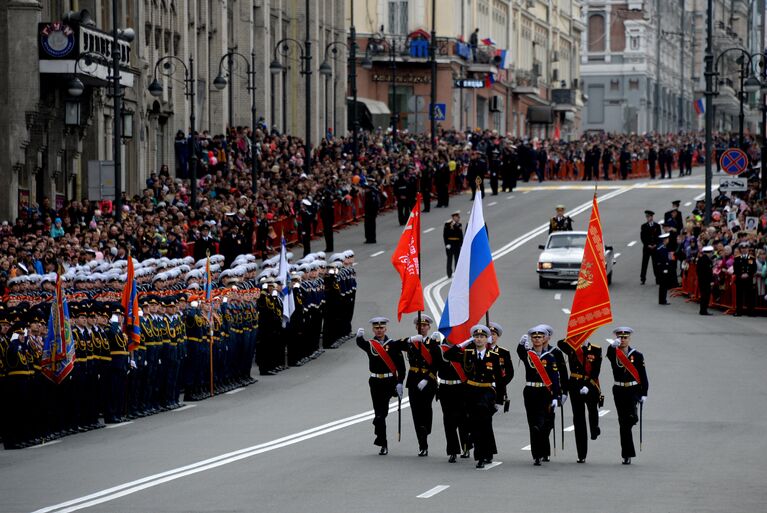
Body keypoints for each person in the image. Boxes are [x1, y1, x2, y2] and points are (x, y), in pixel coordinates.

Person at [445, 324, 506, 468]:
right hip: (470, 392)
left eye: (482, 337)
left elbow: (500, 380)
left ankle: (481, 456)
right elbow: (448, 355)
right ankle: (484, 452)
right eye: (476, 337)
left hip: (486, 393)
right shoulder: (468, 353)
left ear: (487, 339)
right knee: (473, 425)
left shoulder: (494, 357)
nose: (479, 339)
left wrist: (499, 400)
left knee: (483, 424)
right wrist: (463, 344)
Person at [356, 317, 406, 455]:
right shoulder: (371, 345)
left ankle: (380, 435)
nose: (379, 330)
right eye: (376, 328)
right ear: (373, 329)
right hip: (376, 382)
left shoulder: (393, 344)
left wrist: (400, 382)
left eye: (381, 328)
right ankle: (383, 443)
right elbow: (361, 344)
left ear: (385, 329)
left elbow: (401, 367)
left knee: (381, 412)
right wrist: (359, 337)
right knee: (380, 414)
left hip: (389, 382)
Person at [517, 326, 564, 466]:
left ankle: (544, 450)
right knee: (533, 423)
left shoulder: (550, 357)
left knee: (544, 423)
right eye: (534, 337)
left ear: (544, 339)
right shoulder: (528, 354)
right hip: (531, 391)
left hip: (545, 392)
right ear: (531, 339)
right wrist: (520, 344)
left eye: (540, 337)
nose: (537, 339)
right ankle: (536, 455)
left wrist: (556, 396)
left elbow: (555, 378)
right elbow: (520, 353)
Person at [606, 327, 648, 465]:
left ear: (629, 339)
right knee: (623, 423)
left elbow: (643, 375)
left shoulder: (638, 355)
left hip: (633, 389)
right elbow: (609, 354)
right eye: (620, 337)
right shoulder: (614, 353)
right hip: (619, 389)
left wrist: (644, 393)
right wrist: (612, 346)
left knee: (630, 418)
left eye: (625, 337)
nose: (622, 340)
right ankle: (626, 454)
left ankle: (633, 416)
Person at [557, 337, 602, 463]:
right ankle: (581, 453)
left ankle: (594, 429)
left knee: (592, 409)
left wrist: (587, 386)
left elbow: (596, 370)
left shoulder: (595, 349)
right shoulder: (571, 347)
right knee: (578, 418)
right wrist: (572, 337)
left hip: (590, 383)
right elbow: (560, 343)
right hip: (575, 384)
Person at [401, 315, 439, 457]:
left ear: (429, 327)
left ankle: (426, 429)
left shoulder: (433, 343)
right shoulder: (411, 342)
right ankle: (422, 444)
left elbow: (436, 363)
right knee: (416, 413)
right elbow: (395, 346)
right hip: (413, 379)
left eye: (424, 325)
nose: (421, 327)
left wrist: (427, 378)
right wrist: (409, 340)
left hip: (428, 381)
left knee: (426, 409)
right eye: (419, 325)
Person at [433, 331, 471, 462]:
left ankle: (466, 446)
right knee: (448, 420)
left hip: (460, 387)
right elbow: (435, 364)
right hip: (445, 388)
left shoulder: (464, 348)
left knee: (463, 419)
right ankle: (453, 451)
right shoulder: (439, 349)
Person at [733, 243, 757, 317]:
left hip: (748, 279)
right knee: (739, 296)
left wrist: (748, 274)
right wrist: (740, 275)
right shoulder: (737, 258)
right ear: (740, 249)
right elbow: (735, 268)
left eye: (746, 248)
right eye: (742, 248)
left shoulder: (751, 258)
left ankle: (750, 312)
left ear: (748, 249)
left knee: (749, 296)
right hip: (740, 279)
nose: (744, 250)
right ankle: (739, 311)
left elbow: (754, 268)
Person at [640, 210, 661, 285]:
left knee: (655, 264)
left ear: (652, 217)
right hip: (647, 248)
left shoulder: (657, 226)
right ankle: (643, 278)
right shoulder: (643, 226)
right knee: (644, 263)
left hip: (655, 248)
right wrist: (647, 245)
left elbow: (659, 236)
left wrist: (655, 244)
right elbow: (642, 237)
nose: (648, 218)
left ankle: (657, 279)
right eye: (647, 217)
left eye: (649, 216)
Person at [443, 211, 463, 278]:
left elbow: (460, 235)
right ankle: (449, 273)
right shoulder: (447, 224)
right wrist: (447, 244)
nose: (458, 218)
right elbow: (445, 235)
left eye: (458, 217)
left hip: (457, 244)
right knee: (449, 259)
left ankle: (457, 273)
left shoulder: (459, 224)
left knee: (457, 259)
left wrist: (461, 244)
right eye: (457, 217)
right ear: (453, 217)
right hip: (450, 244)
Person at [696, 245, 715, 315]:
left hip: (701, 280)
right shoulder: (707, 261)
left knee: (703, 295)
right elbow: (709, 272)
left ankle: (702, 309)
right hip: (706, 281)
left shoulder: (700, 259)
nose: (711, 254)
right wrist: (711, 281)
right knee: (705, 296)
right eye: (711, 253)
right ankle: (704, 310)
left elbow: (697, 270)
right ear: (708, 253)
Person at [656, 232, 673, 305]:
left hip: (662, 268)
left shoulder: (663, 247)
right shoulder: (662, 248)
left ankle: (662, 300)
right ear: (665, 240)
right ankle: (663, 300)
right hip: (663, 269)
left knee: (663, 285)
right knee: (664, 285)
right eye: (667, 239)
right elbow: (664, 259)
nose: (668, 240)